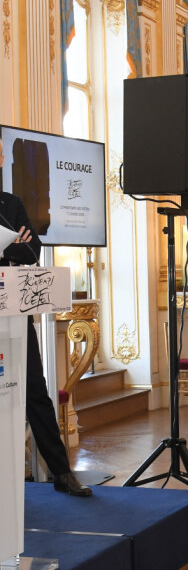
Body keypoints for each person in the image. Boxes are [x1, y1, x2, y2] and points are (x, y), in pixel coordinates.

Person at [0, 138, 91, 496]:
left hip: (14, 311)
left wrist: (12, 245)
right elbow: (18, 247)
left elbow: (32, 249)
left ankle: (61, 473)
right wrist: (12, 245)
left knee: (36, 391)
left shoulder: (11, 203)